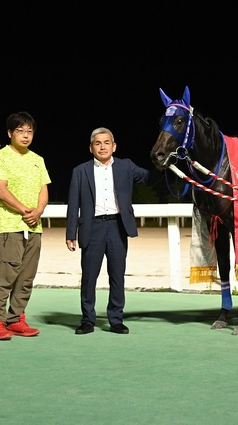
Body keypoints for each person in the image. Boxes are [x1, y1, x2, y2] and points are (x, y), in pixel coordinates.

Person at [66, 127, 153, 335]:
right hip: (92, 228)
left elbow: (149, 178)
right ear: (91, 148)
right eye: (98, 143)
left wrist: (165, 162)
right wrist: (70, 234)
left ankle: (116, 320)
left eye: (106, 143)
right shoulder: (80, 171)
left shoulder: (126, 166)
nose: (102, 147)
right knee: (89, 278)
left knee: (117, 276)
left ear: (114, 146)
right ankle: (87, 320)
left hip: (117, 227)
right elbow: (73, 205)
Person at [0, 111, 51, 340]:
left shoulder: (38, 159)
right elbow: (1, 191)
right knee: (5, 277)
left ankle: (15, 319)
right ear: (10, 133)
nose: (25, 135)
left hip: (34, 227)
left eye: (29, 131)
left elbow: (44, 190)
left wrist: (39, 211)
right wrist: (25, 210)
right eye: (20, 131)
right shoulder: (1, 158)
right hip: (9, 226)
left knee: (26, 278)